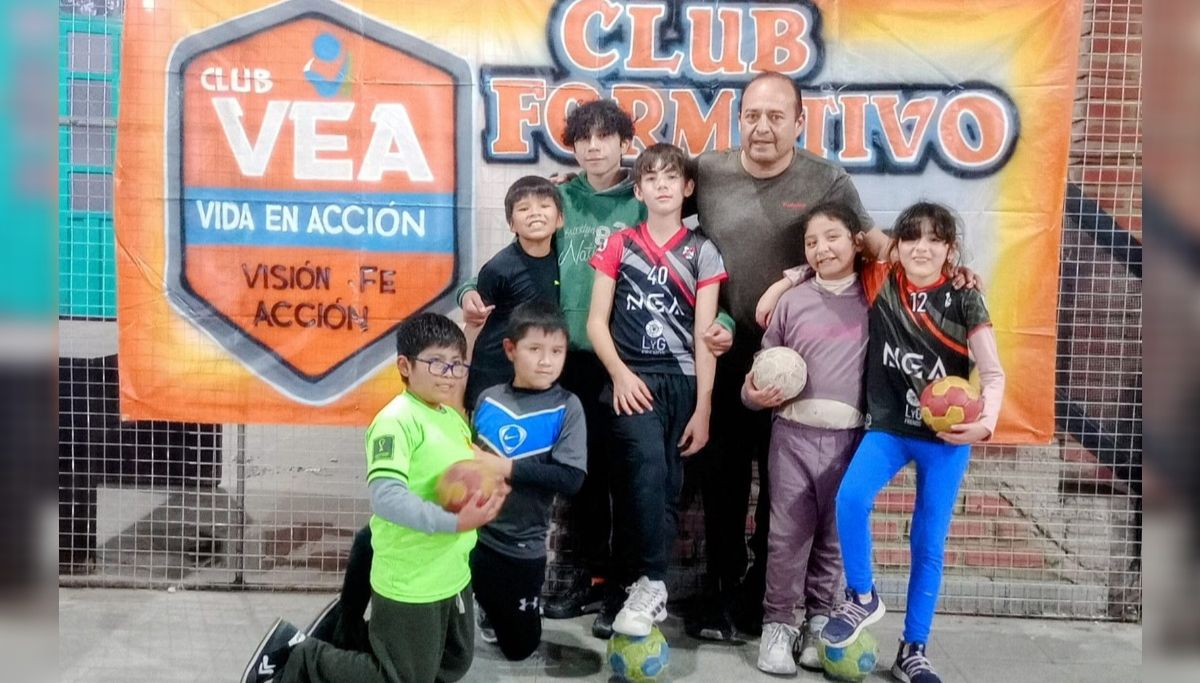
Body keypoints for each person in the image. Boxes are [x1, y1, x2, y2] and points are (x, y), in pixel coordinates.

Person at [684, 70, 887, 641]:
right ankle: (723, 591)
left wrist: (939, 265)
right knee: (722, 483)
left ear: (799, 121)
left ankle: (767, 601)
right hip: (725, 354)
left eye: (776, 116)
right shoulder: (710, 170)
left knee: (785, 495)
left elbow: (872, 245)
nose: (763, 127)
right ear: (739, 119)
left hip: (801, 362)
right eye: (752, 115)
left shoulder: (826, 179)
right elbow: (655, 191)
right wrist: (575, 191)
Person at [240, 313, 508, 683]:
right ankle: (301, 657)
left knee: (453, 662)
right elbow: (387, 499)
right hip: (412, 577)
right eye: (436, 363)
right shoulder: (396, 422)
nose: (448, 374)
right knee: (398, 677)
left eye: (456, 364)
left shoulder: (450, 417)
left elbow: (456, 474)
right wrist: (455, 521)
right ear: (405, 366)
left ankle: (348, 638)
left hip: (451, 570)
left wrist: (489, 483)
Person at [461, 100, 645, 626]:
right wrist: (470, 289)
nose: (594, 147)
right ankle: (584, 577)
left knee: (628, 475)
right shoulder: (559, 197)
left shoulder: (641, 198)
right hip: (569, 362)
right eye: (584, 138)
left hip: (626, 360)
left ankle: (624, 585)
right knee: (579, 480)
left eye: (605, 137)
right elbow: (512, 258)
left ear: (625, 144)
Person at [817, 202, 1006, 683]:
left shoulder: (965, 298)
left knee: (928, 541)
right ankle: (862, 596)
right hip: (889, 427)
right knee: (850, 499)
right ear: (896, 246)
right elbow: (832, 260)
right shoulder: (881, 280)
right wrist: (788, 279)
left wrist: (984, 425)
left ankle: (913, 650)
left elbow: (992, 374)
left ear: (950, 249)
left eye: (935, 239)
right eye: (912, 238)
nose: (923, 248)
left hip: (945, 439)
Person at [586, 142, 726, 638]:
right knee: (642, 475)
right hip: (632, 382)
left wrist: (704, 408)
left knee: (664, 489)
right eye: (651, 177)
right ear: (639, 190)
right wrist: (620, 375)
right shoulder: (620, 244)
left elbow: (705, 336)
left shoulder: (703, 251)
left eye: (671, 177)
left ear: (687, 188)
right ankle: (648, 583)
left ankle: (635, 591)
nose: (662, 185)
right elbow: (595, 323)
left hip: (683, 382)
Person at [741, 202, 870, 674]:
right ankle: (778, 625)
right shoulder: (791, 302)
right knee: (786, 537)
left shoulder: (873, 298)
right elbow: (760, 371)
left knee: (833, 538)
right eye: (811, 242)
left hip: (849, 441)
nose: (822, 248)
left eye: (832, 237)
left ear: (856, 241)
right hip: (791, 437)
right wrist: (752, 394)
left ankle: (819, 620)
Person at [469, 301, 588, 661]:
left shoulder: (567, 407)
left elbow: (571, 478)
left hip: (523, 548)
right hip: (473, 540)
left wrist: (505, 467)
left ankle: (502, 610)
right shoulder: (488, 400)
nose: (546, 361)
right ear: (510, 349)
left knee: (520, 648)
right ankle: (484, 603)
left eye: (556, 351)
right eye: (534, 349)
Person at [463, 175, 564, 409]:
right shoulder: (498, 268)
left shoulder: (564, 261)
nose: (535, 213)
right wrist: (462, 375)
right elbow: (474, 325)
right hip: (492, 376)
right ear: (511, 224)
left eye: (544, 206)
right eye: (524, 208)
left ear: (560, 219)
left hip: (537, 376)